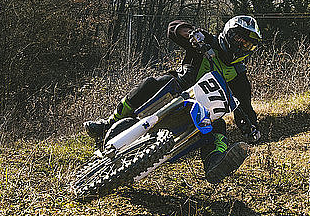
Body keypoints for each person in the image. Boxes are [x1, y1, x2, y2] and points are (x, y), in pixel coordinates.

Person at [84, 15, 264, 184]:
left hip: (201, 112)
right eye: (238, 39)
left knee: (219, 125)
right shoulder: (206, 41)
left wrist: (251, 127)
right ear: (228, 33)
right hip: (177, 91)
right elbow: (173, 29)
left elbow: (245, 107)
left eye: (247, 44)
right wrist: (191, 34)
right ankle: (108, 124)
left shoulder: (239, 75)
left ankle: (215, 163)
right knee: (154, 82)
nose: (241, 46)